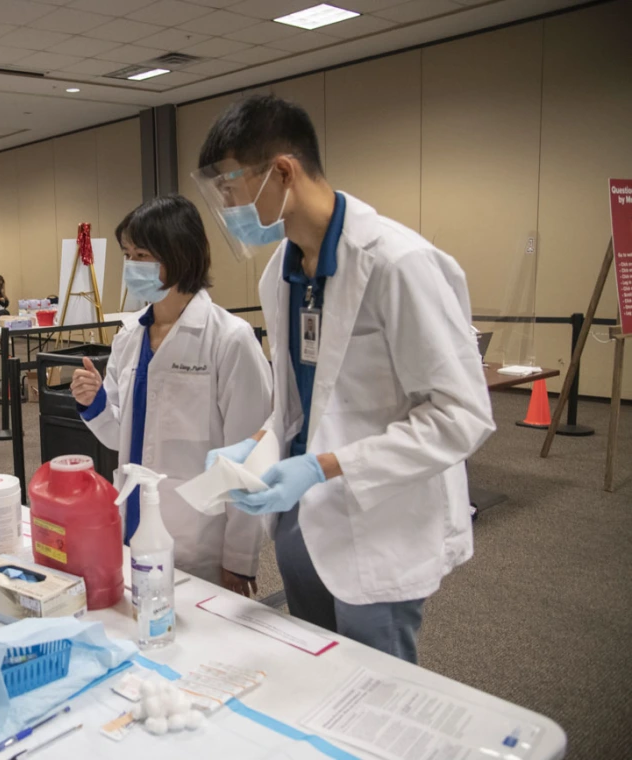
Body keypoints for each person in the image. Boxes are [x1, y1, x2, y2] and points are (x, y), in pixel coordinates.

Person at [194, 94, 495, 663]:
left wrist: (324, 466)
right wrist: (257, 447)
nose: (227, 210)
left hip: (381, 522)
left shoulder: (399, 264)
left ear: (282, 171)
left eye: (231, 192)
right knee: (318, 675)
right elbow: (302, 404)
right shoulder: (278, 278)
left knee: (377, 694)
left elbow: (461, 416)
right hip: (301, 522)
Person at [69, 195, 272, 591]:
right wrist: (93, 402)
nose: (131, 266)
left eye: (142, 254)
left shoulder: (229, 340)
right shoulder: (130, 336)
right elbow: (119, 436)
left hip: (197, 539)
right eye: (127, 254)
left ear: (179, 255)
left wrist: (239, 559)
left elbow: (249, 458)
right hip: (132, 526)